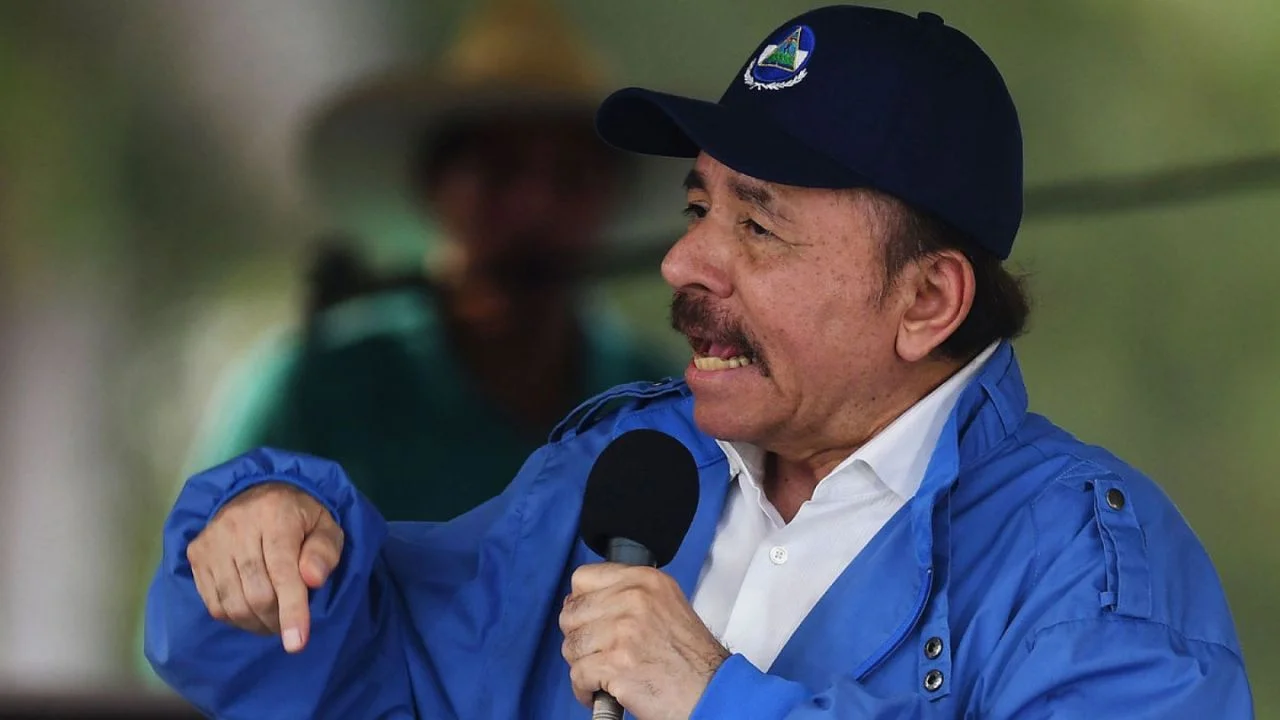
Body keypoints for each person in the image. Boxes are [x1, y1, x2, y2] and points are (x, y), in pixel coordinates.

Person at [144, 5, 1254, 718]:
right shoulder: (621, 469)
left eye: (757, 226)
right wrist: (268, 531)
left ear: (926, 302)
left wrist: (716, 702)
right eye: (694, 204)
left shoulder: (1090, 564)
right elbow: (378, 674)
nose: (683, 258)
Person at [180, 0, 677, 524]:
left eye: (570, 177)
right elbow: (200, 583)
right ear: (433, 187)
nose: (533, 208)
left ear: (611, 201)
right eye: (499, 171)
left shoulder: (657, 411)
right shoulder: (316, 394)